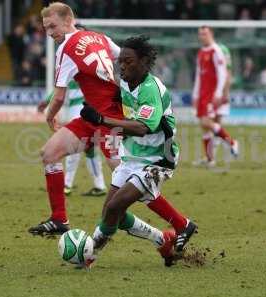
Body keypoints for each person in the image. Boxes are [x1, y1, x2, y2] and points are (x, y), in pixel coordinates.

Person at [29, 3, 196, 247]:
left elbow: (59, 96)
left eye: (52, 26)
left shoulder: (65, 48)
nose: (49, 33)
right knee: (50, 153)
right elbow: (123, 58)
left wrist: (49, 116)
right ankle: (59, 219)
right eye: (45, 28)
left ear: (68, 20)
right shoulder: (99, 37)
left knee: (133, 182)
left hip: (111, 120)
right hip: (93, 117)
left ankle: (177, 227)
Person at [80, 36, 197, 266]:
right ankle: (165, 238)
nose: (122, 66)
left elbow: (143, 127)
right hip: (132, 154)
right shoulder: (124, 82)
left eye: (128, 61)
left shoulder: (150, 89)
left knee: (116, 205)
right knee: (112, 214)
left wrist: (103, 119)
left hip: (158, 157)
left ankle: (89, 254)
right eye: (120, 61)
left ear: (144, 62)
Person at [38, 79, 107, 196]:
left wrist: (46, 101)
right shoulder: (91, 67)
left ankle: (67, 184)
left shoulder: (73, 65)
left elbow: (60, 90)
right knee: (90, 150)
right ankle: (99, 185)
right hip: (92, 110)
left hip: (77, 110)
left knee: (71, 148)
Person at [192, 26, 238, 167]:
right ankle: (210, 159)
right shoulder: (200, 52)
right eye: (200, 34)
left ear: (211, 34)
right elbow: (199, 76)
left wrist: (218, 93)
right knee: (204, 126)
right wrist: (195, 95)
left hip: (212, 93)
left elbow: (222, 73)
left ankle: (231, 141)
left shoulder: (216, 50)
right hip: (202, 94)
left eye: (204, 33)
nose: (202, 36)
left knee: (207, 122)